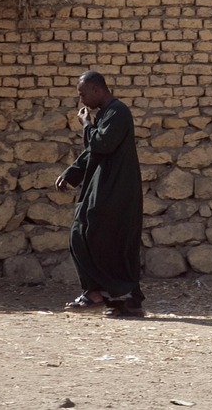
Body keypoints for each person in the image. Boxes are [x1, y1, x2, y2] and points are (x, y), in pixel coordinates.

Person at [55, 70, 145, 318]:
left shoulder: (118, 112)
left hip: (116, 189)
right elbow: (94, 150)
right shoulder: (107, 114)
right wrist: (72, 174)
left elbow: (101, 143)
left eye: (83, 94)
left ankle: (100, 293)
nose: (82, 100)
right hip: (106, 186)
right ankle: (120, 299)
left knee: (87, 233)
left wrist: (86, 125)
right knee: (95, 237)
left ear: (97, 89)